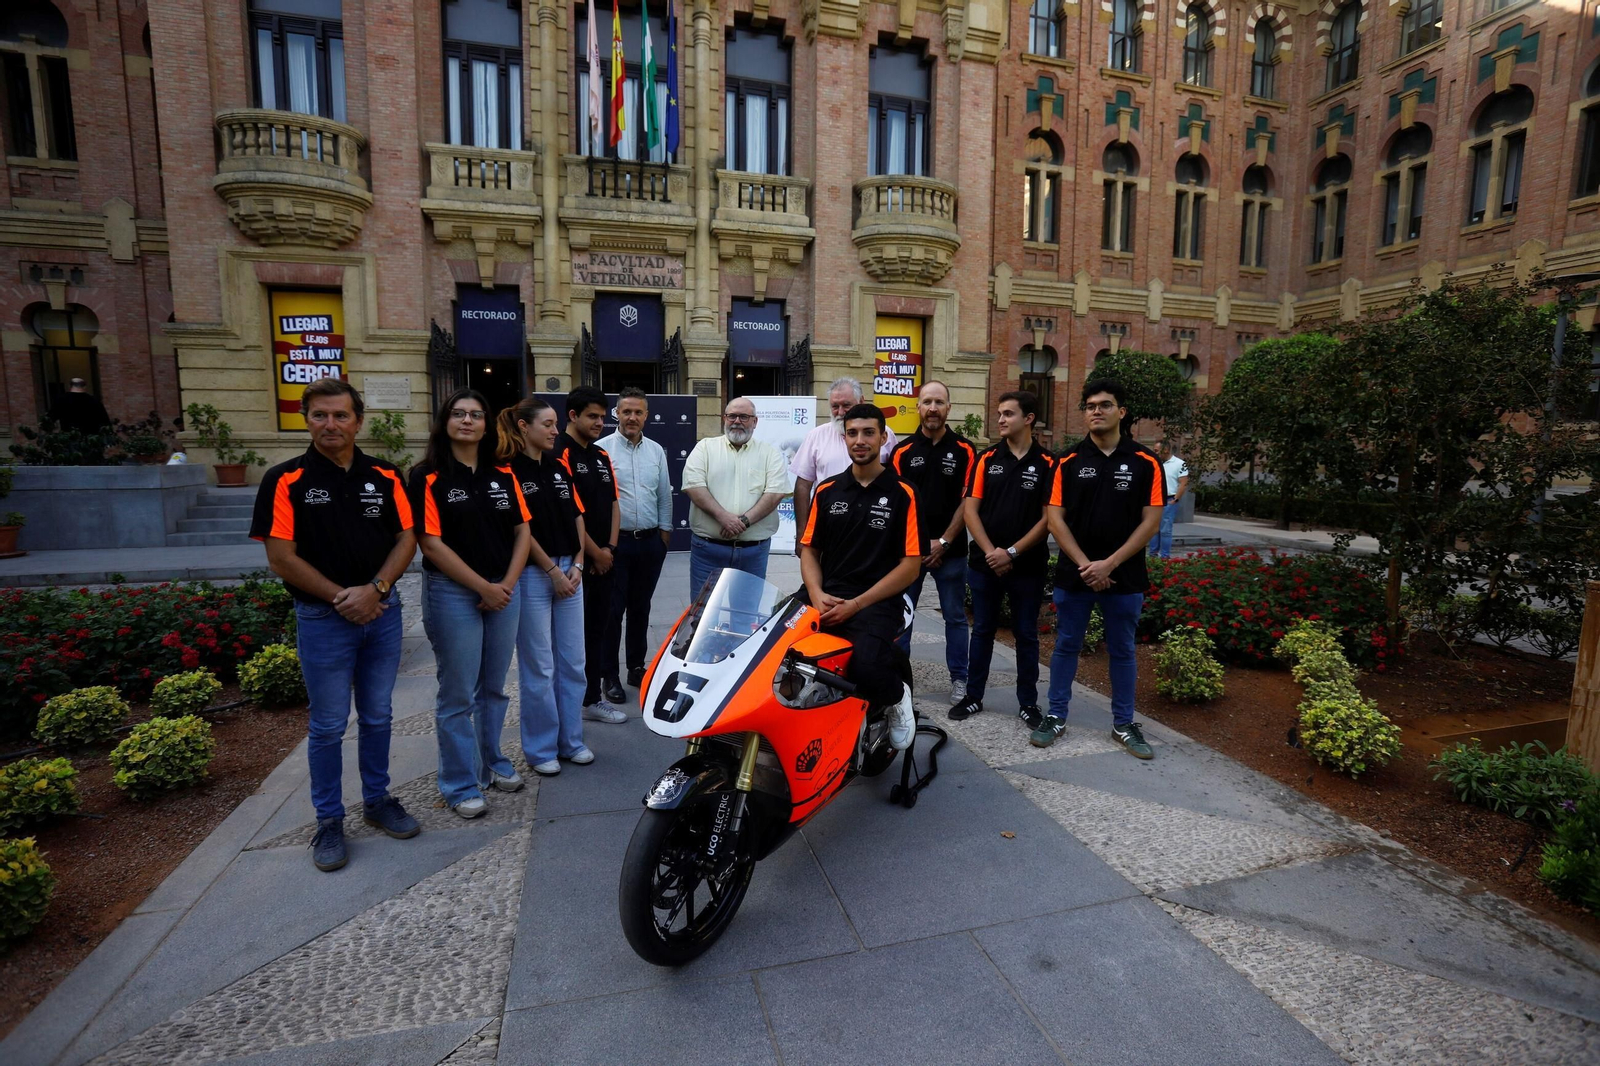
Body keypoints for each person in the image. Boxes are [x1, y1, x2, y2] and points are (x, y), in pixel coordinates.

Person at [250, 378, 419, 872]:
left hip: (382, 616)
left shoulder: (385, 475)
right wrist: (344, 598)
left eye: (340, 415)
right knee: (326, 726)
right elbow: (281, 557)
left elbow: (406, 538)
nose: (331, 425)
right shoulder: (284, 480)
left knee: (379, 716)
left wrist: (377, 590)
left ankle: (378, 800)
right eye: (320, 415)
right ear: (307, 419)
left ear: (357, 421)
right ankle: (328, 821)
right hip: (323, 619)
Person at [410, 388, 532, 817]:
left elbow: (522, 532)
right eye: (459, 414)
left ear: (486, 424)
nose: (467, 421)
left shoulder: (503, 474)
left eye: (476, 415)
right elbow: (431, 543)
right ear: (445, 422)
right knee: (458, 694)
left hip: (503, 590)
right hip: (453, 593)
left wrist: (506, 584)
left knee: (494, 688)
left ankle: (492, 761)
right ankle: (460, 784)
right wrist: (483, 586)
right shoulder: (426, 475)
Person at [1038, 378, 1166, 758]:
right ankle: (1056, 715)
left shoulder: (1146, 463)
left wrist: (1108, 564)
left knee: (1123, 649)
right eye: (1090, 405)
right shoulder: (1067, 461)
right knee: (1066, 646)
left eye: (1105, 404)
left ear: (1121, 412)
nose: (1096, 411)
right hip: (1074, 574)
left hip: (1124, 576)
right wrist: (1086, 565)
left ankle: (1124, 724)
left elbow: (1151, 522)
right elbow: (1054, 519)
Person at [798, 403, 920, 750]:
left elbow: (911, 566)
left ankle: (897, 698)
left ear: (884, 437)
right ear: (844, 438)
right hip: (825, 593)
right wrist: (817, 594)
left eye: (869, 433)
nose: (860, 440)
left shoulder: (904, 493)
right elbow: (809, 551)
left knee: (865, 669)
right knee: (771, 651)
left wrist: (856, 604)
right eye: (852, 433)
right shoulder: (827, 490)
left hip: (876, 601)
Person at [497, 398, 594, 777]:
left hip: (572, 569)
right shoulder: (506, 471)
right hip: (534, 574)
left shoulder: (558, 467)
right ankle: (540, 749)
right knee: (539, 666)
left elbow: (577, 516)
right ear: (524, 427)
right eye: (548, 424)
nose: (556, 431)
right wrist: (552, 569)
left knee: (573, 662)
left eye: (556, 424)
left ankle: (571, 740)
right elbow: (521, 530)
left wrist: (580, 563)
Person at [951, 391, 1054, 725]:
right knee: (982, 630)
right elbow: (970, 510)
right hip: (985, 565)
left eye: (1008, 413)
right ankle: (973, 696)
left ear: (1029, 419)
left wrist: (1012, 552)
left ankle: (1028, 702)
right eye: (999, 413)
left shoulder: (1048, 464)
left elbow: (1049, 518)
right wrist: (991, 552)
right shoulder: (986, 459)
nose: (1000, 419)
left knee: (1026, 634)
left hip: (1028, 567)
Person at [889, 380, 977, 704]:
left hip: (951, 552)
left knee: (954, 617)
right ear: (918, 407)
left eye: (939, 402)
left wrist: (943, 541)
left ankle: (959, 680)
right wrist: (922, 544)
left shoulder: (966, 450)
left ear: (948, 408)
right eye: (927, 402)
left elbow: (968, 501)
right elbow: (899, 504)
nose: (933, 408)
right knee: (902, 616)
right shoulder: (901, 452)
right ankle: (899, 683)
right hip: (911, 552)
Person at [552, 386, 627, 724]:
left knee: (599, 627)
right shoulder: (559, 452)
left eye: (602, 416)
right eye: (592, 416)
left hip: (604, 559)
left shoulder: (601, 456)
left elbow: (613, 503)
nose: (600, 422)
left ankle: (592, 698)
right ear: (573, 416)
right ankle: (566, 705)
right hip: (574, 562)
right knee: (570, 639)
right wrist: (594, 553)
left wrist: (609, 548)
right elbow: (568, 510)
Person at [597, 387, 672, 693]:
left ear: (646, 415)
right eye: (626, 411)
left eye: (638, 412)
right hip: (617, 545)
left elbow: (664, 495)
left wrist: (664, 537)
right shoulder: (601, 450)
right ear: (616, 414)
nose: (632, 417)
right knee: (613, 611)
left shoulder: (656, 450)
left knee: (641, 608)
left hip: (649, 543)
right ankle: (609, 675)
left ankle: (636, 668)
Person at [681, 396, 790, 599]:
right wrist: (723, 517)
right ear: (724, 418)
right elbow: (693, 486)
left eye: (744, 416)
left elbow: (775, 492)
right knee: (701, 616)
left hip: (753, 554)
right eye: (732, 416)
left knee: (744, 616)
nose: (737, 421)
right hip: (708, 551)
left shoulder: (769, 454)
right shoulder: (705, 448)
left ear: (755, 422)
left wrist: (743, 522)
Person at [791, 377, 898, 547]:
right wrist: (801, 535)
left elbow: (896, 480)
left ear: (861, 401)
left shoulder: (885, 434)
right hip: (828, 529)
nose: (840, 412)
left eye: (846, 405)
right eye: (835, 406)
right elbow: (803, 486)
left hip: (875, 528)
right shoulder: (816, 436)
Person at [1148, 437, 1189, 560]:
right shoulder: (1154, 462)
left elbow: (1183, 483)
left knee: (1165, 529)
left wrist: (1176, 499)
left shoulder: (1179, 464)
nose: (1154, 453)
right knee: (1153, 528)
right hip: (1155, 499)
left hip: (1169, 499)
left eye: (1156, 450)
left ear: (1165, 450)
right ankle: (1152, 556)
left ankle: (1164, 557)